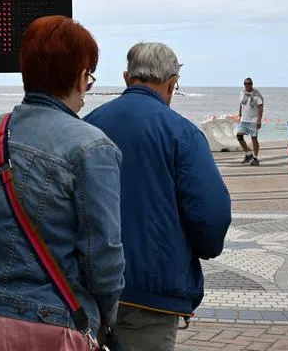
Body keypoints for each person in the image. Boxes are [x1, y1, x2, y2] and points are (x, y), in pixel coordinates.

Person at [0, 15, 124, 351]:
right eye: (89, 76)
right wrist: (105, 318)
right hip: (43, 326)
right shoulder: (92, 148)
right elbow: (103, 256)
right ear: (81, 77)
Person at [84, 42, 231, 350]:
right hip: (153, 293)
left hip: (88, 287)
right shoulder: (183, 133)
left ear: (127, 78)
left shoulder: (89, 126)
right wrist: (202, 249)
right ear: (172, 84)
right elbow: (211, 213)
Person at [235, 77, 264, 166]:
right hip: (243, 120)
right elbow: (241, 105)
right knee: (239, 136)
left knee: (254, 139)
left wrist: (259, 120)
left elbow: (261, 108)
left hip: (253, 121)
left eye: (249, 83)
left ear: (252, 84)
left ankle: (255, 158)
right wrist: (239, 115)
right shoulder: (242, 94)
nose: (247, 85)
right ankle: (248, 154)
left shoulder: (256, 95)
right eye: (245, 83)